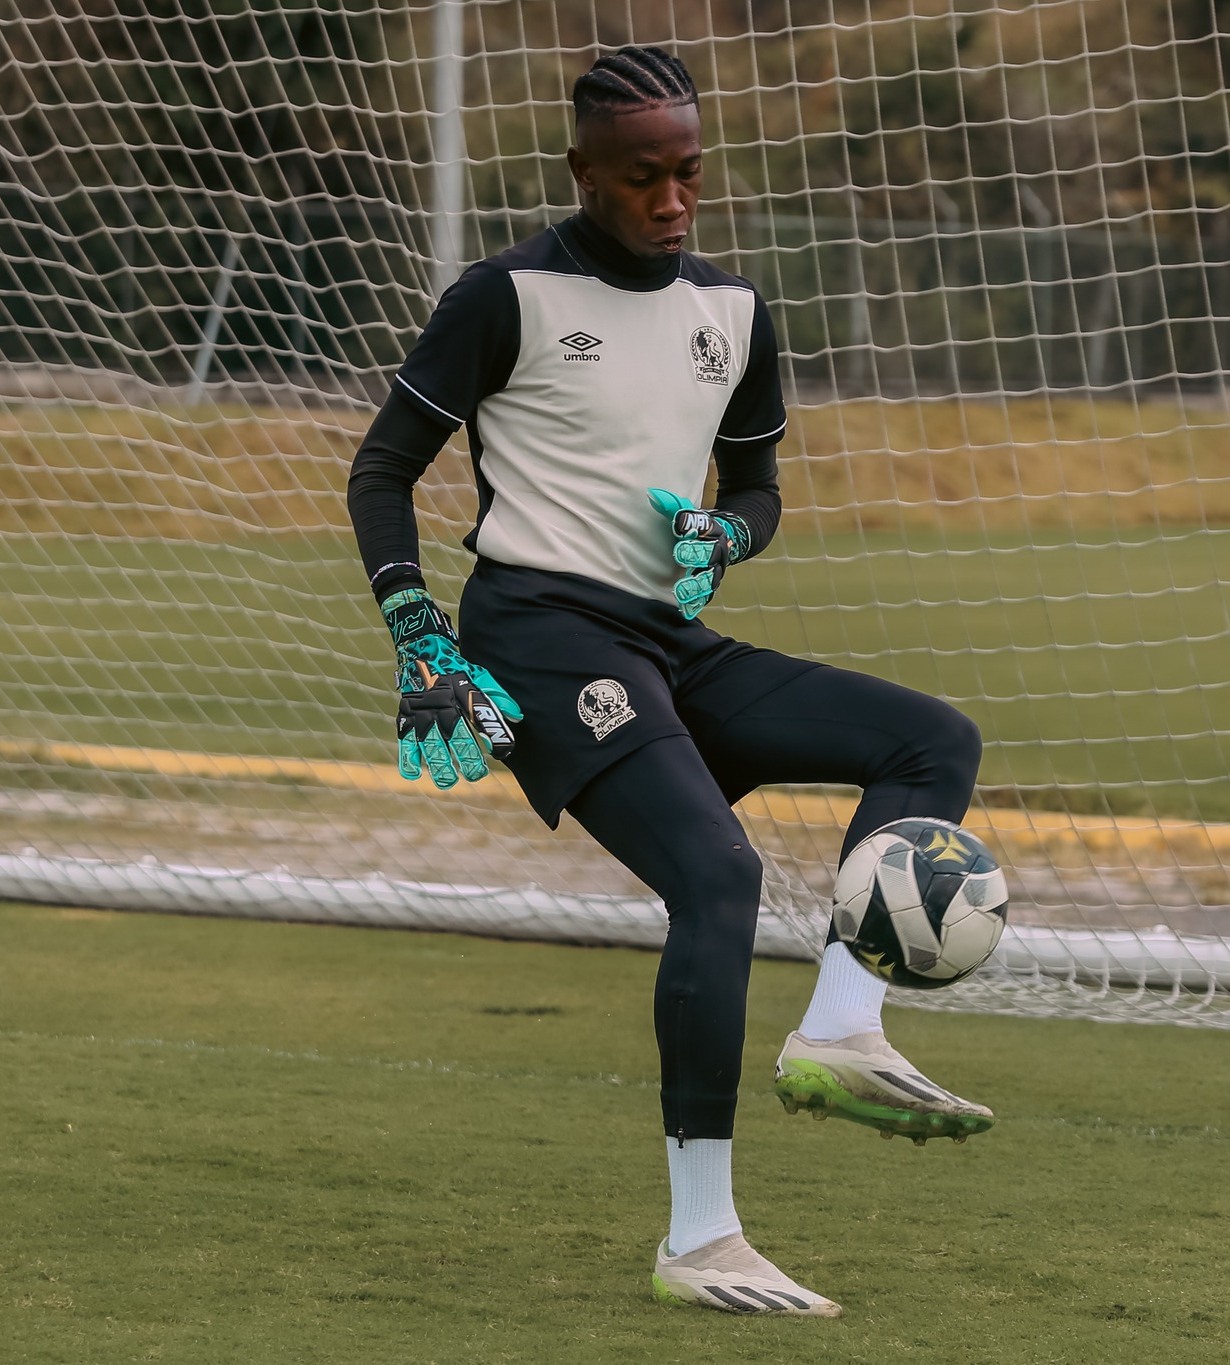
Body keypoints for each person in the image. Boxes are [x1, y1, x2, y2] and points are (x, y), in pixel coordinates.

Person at [346, 44, 990, 1319]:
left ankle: (839, 1032)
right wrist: (418, 630)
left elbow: (752, 491)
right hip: (539, 634)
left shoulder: (733, 314)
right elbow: (379, 471)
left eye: (688, 172)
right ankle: (702, 1241)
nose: (672, 199)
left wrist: (724, 539)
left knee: (930, 743)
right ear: (583, 172)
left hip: (663, 640)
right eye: (643, 177)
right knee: (719, 879)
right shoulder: (504, 295)